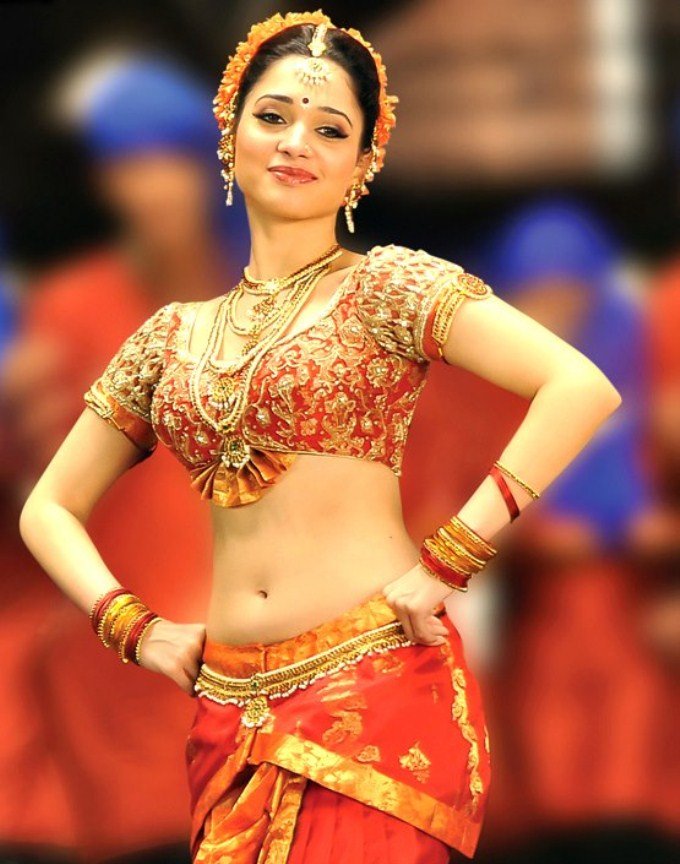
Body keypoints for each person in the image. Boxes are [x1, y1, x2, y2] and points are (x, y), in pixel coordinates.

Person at [18, 10, 623, 863]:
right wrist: (135, 628)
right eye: (272, 116)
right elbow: (48, 507)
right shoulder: (170, 335)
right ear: (228, 135)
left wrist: (450, 559)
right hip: (226, 711)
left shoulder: (390, 287)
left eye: (330, 128)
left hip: (374, 687)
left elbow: (579, 387)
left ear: (363, 161)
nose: (296, 141)